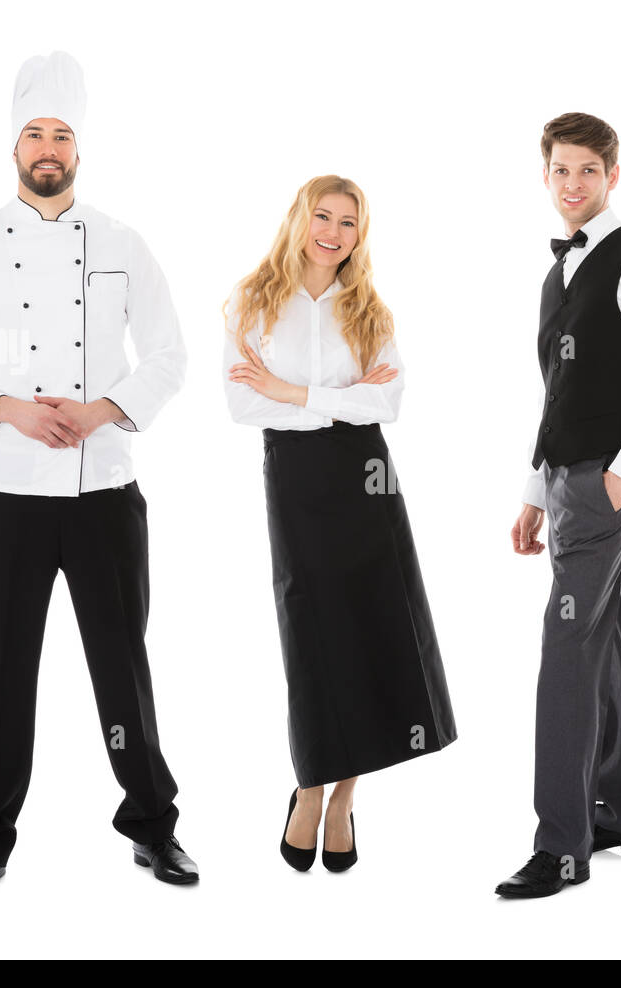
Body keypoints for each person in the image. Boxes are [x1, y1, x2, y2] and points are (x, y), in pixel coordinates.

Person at [0, 51, 196, 898]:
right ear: (13, 148)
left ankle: (154, 827)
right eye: (34, 133)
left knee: (123, 663)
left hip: (103, 489)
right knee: (0, 670)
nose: (48, 148)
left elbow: (170, 356)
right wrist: (7, 406)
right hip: (5, 498)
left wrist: (99, 410)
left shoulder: (121, 242)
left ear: (80, 148)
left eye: (62, 135)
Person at [224, 175, 456, 873]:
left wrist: (294, 391)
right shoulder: (252, 300)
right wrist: (340, 400)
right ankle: (310, 786)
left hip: (367, 480)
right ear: (299, 219)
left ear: (361, 233)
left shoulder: (370, 311)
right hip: (295, 480)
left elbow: (387, 403)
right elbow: (244, 407)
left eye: (348, 222)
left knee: (377, 631)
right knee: (315, 636)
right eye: (322, 216)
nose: (333, 231)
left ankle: (346, 799)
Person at [496, 113, 621, 898]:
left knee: (567, 651)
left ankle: (563, 846)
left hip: (606, 481)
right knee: (613, 639)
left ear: (613, 175)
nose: (573, 185)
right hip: (565, 478)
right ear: (545, 178)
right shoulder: (558, 275)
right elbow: (558, 392)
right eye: (560, 172)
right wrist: (532, 490)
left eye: (588, 170)